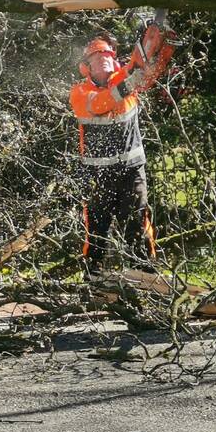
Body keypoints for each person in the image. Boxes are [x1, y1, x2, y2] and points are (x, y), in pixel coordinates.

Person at [70, 14, 179, 274]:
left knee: (138, 222)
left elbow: (147, 73)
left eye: (109, 55)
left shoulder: (125, 78)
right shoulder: (80, 93)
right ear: (87, 67)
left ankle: (145, 273)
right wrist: (131, 76)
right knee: (97, 228)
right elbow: (102, 102)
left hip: (131, 169)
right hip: (97, 174)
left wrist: (162, 47)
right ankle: (93, 276)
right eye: (99, 57)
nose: (106, 59)